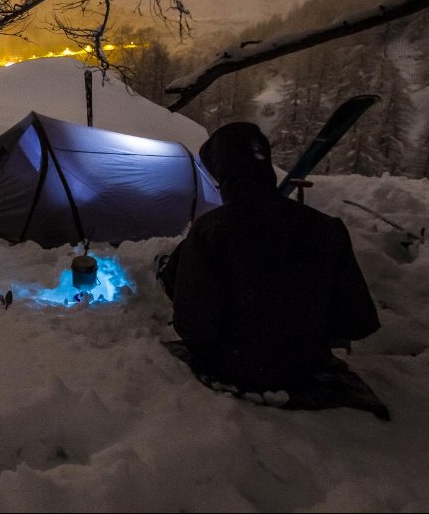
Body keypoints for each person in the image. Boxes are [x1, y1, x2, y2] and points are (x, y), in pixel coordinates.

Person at [158, 122, 380, 393]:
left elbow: (193, 327)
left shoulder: (211, 232)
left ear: (222, 172)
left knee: (180, 268)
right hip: (309, 366)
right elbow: (358, 322)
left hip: (234, 367)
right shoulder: (327, 228)